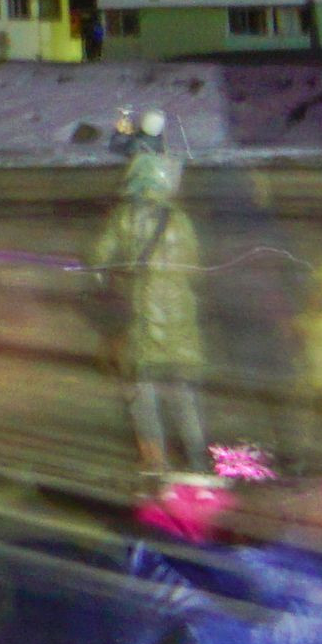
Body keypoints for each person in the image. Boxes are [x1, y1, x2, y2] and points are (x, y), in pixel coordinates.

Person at [84, 147, 210, 478]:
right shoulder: (180, 219)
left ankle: (155, 461)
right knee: (182, 392)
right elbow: (194, 264)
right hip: (181, 316)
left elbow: (99, 259)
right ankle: (198, 457)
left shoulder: (125, 216)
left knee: (143, 393)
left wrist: (109, 278)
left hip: (142, 315)